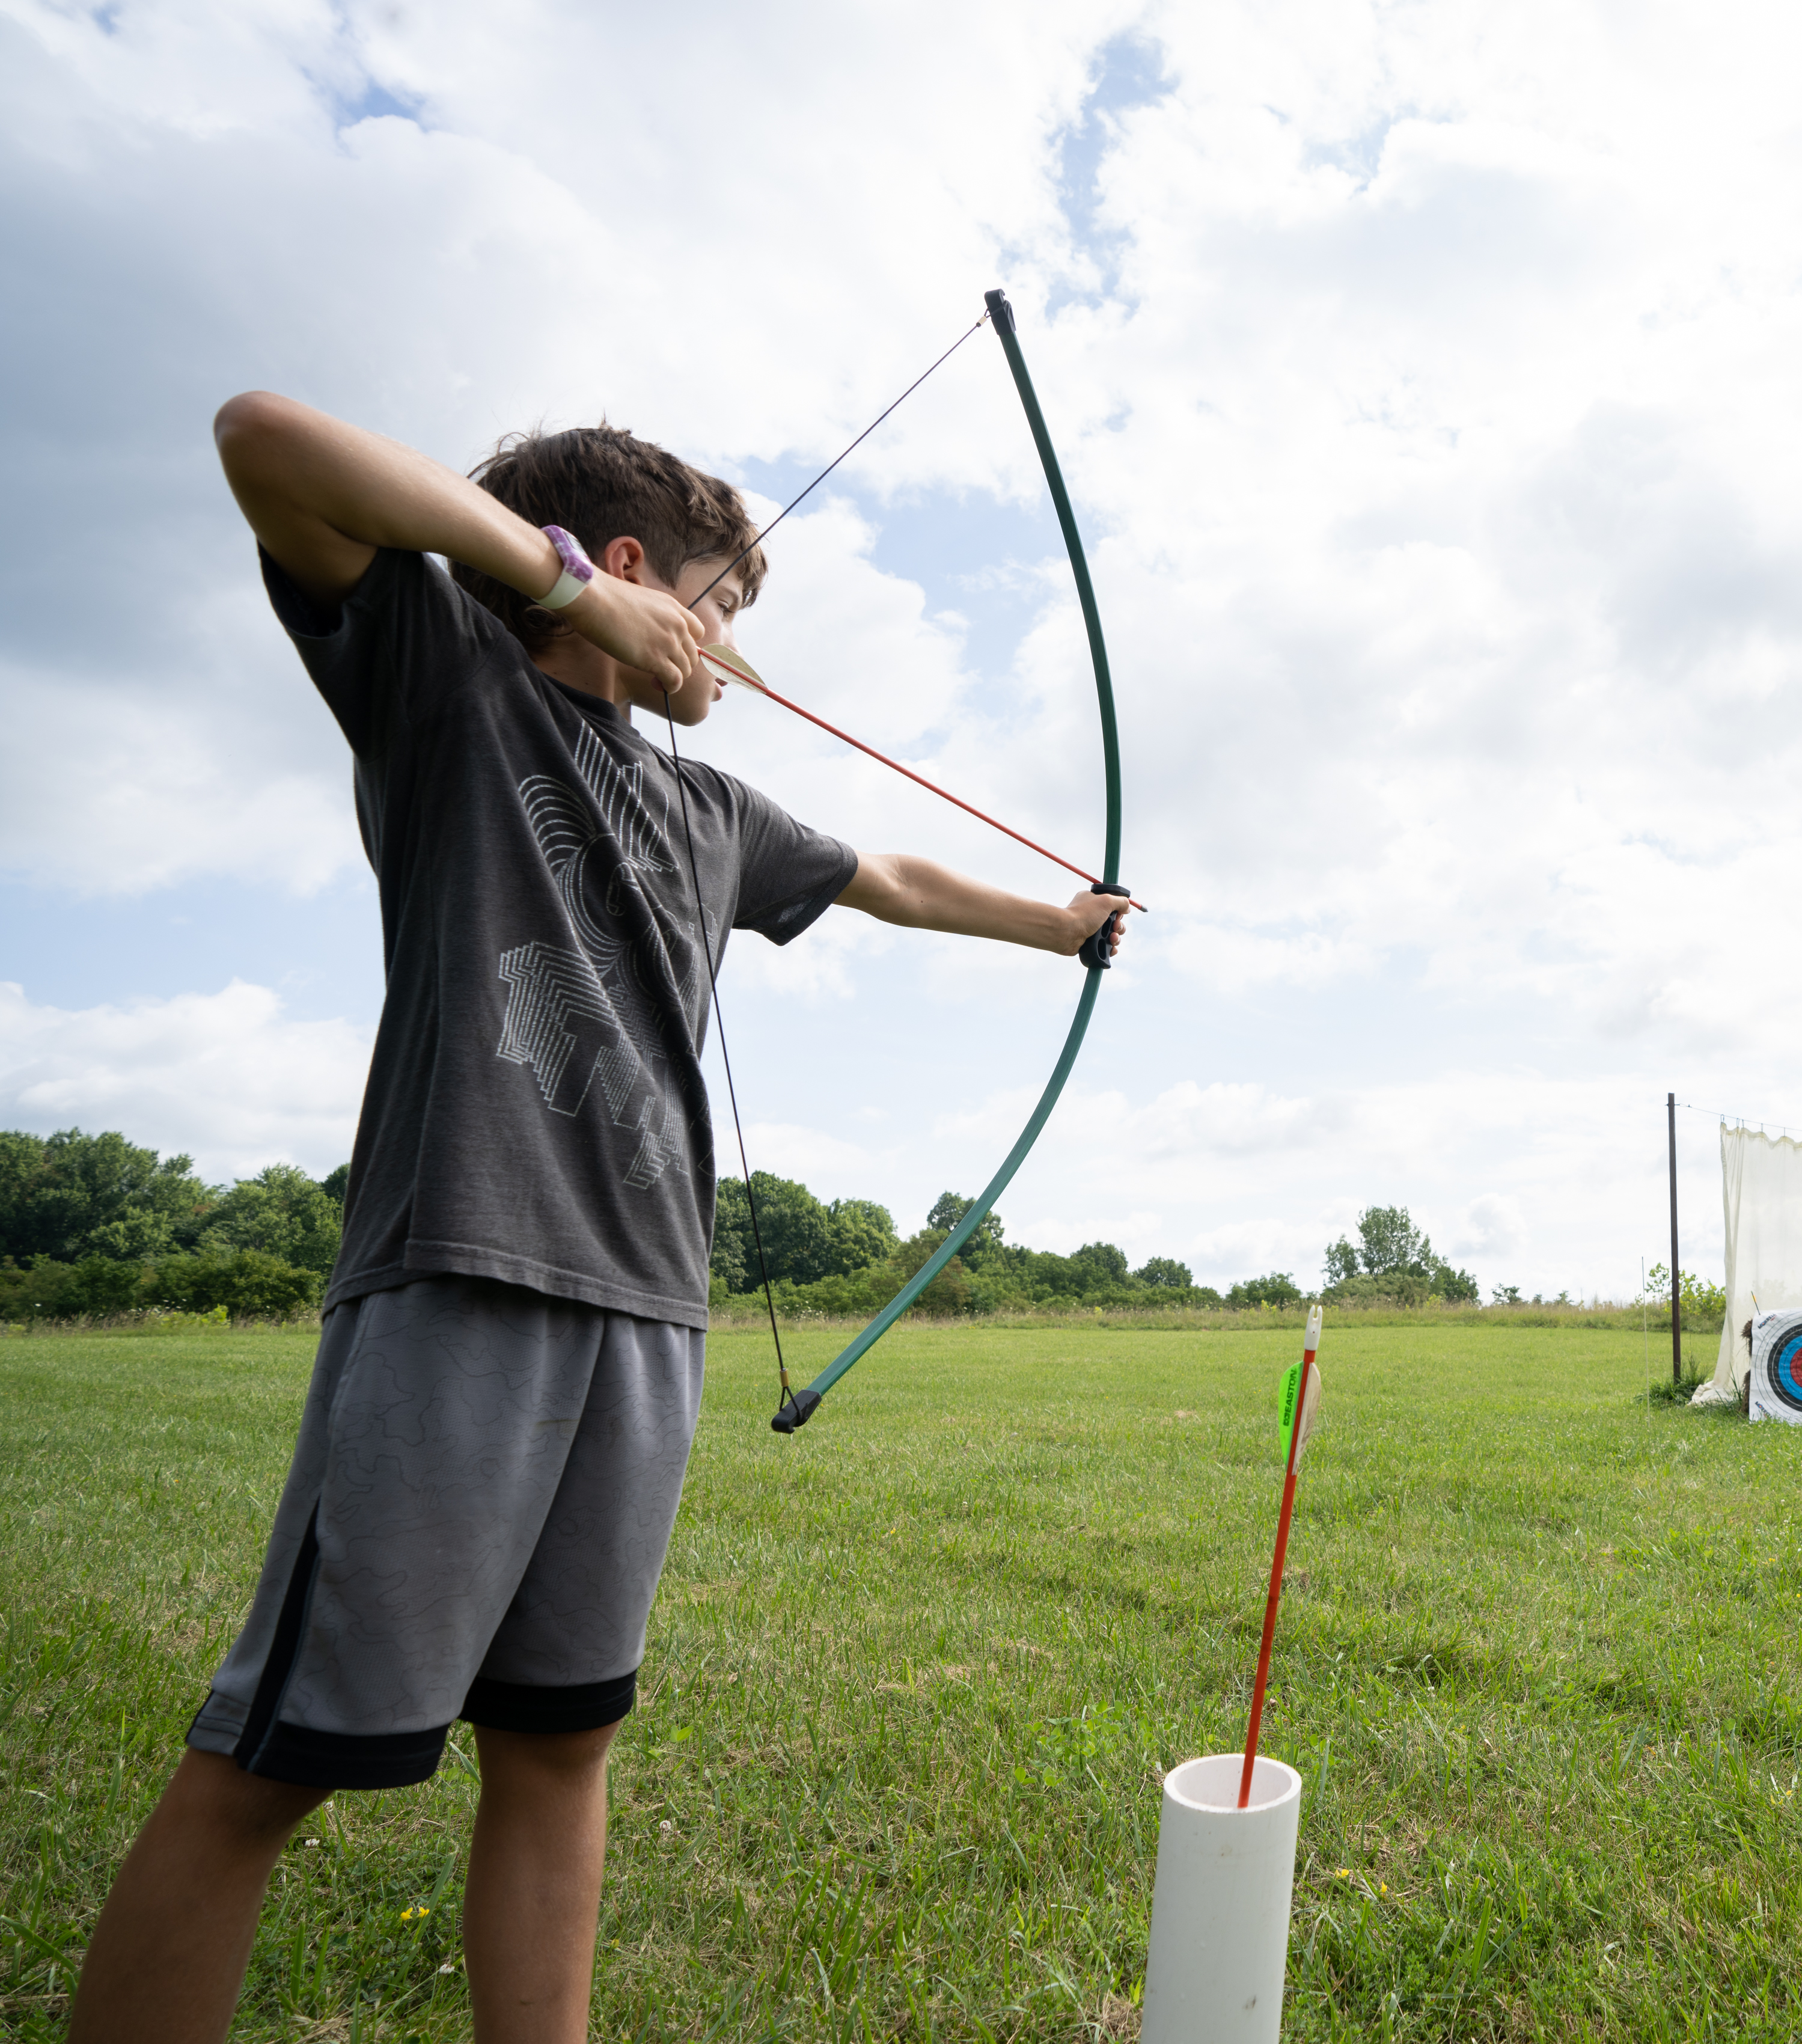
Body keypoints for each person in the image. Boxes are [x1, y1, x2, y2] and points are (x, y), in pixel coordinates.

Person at [66, 395, 1134, 2044]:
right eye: (714, 608)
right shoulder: (443, 685)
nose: (727, 655)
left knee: (562, 1744)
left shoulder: (712, 816)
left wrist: (1063, 926)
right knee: (275, 1767)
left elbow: (899, 882)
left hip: (648, 1309)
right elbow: (264, 437)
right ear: (633, 570)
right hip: (464, 1276)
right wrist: (561, 590)